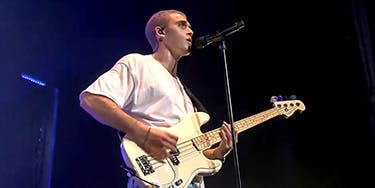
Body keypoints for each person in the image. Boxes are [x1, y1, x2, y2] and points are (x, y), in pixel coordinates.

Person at [79, 9, 235, 188]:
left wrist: (218, 152)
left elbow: (186, 154)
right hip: (154, 180)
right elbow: (91, 99)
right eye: (182, 25)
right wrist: (144, 133)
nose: (190, 31)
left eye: (190, 26)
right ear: (160, 33)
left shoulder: (182, 90)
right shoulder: (138, 63)